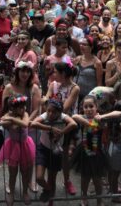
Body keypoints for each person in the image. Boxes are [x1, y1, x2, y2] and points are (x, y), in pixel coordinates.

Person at [71, 94, 121, 206]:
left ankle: (99, 200)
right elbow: (74, 116)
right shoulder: (84, 118)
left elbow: (119, 113)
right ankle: (84, 197)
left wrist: (102, 117)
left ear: (96, 107)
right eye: (86, 107)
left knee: (97, 179)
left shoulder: (100, 119)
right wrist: (86, 122)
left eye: (91, 106)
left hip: (97, 153)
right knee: (85, 177)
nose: (89, 109)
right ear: (83, 108)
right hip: (84, 152)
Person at [42, 61, 80, 195]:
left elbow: (65, 107)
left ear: (63, 73)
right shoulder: (53, 84)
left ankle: (67, 180)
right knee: (49, 153)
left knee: (64, 155)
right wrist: (49, 102)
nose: (53, 74)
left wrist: (50, 102)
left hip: (66, 125)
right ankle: (49, 183)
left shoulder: (74, 88)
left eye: (56, 72)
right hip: (52, 124)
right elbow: (45, 100)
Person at [31, 99, 77, 205]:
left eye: (54, 112)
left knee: (52, 179)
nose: (50, 114)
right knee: (39, 177)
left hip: (56, 151)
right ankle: (48, 190)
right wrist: (50, 128)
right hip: (43, 148)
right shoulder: (45, 115)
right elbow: (33, 123)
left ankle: (51, 202)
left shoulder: (62, 117)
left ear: (60, 112)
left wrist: (61, 133)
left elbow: (73, 123)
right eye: (49, 111)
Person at [0, 95, 36, 204]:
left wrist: (11, 119)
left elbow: (25, 124)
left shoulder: (25, 114)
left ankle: (25, 192)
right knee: (12, 172)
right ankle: (11, 192)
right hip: (13, 146)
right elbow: (2, 122)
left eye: (24, 106)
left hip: (25, 146)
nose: (23, 109)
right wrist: (11, 119)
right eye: (20, 107)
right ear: (13, 108)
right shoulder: (8, 115)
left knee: (25, 172)